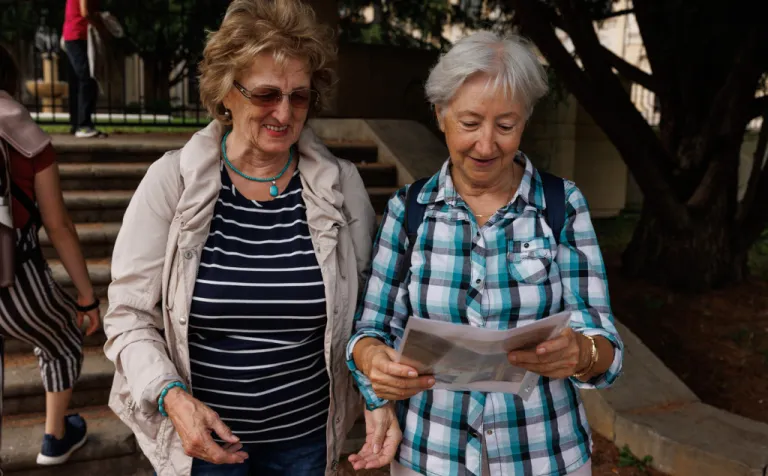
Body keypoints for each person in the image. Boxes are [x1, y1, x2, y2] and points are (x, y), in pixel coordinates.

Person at [102, 1, 382, 475]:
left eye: (299, 97)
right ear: (226, 92)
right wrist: (171, 395)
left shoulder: (340, 185)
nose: (284, 112)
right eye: (266, 94)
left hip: (305, 443)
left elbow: (366, 310)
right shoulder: (173, 181)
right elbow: (128, 315)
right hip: (205, 445)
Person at [347, 31, 624, 476]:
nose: (486, 144)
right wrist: (373, 362)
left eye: (506, 126)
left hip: (544, 456)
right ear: (440, 115)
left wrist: (581, 352)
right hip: (430, 457)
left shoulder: (560, 204)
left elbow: (603, 340)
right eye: (470, 123)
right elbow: (370, 329)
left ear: (524, 122)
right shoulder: (409, 210)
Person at [0, 44, 101, 466]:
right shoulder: (25, 136)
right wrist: (87, 297)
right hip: (15, 278)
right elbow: (59, 226)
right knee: (62, 337)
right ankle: (54, 437)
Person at [62, 0, 110, 138]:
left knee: (77, 81)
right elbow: (85, 12)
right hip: (78, 35)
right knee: (87, 79)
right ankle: (84, 125)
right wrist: (100, 25)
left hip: (73, 35)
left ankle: (76, 124)